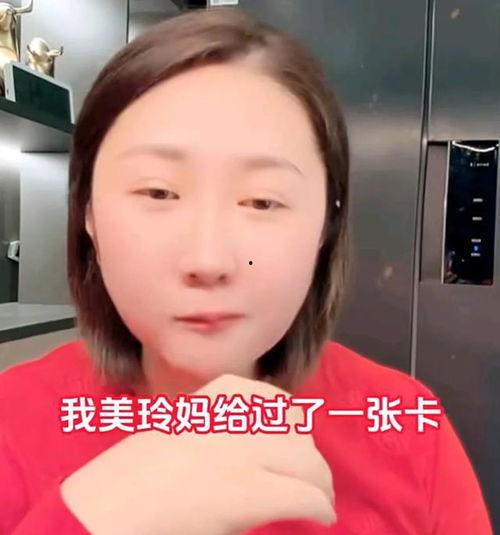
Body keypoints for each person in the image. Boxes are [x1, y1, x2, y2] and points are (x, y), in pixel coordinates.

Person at [0, 7, 493, 535]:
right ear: (88, 213)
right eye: (158, 192)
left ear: (327, 225)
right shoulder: (11, 424)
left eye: (262, 201)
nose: (208, 260)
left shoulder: (404, 424)